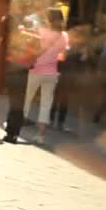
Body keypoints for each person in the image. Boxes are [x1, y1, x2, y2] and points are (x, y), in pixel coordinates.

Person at [23, 8, 69, 144]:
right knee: (46, 104)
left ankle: (17, 126)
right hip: (52, 73)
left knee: (27, 98)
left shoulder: (41, 31)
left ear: (48, 19)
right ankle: (41, 135)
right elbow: (63, 56)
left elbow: (31, 45)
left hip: (36, 70)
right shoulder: (64, 36)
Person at [0, 0, 35, 144]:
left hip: (6, 64)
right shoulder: (30, 23)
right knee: (17, 102)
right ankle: (12, 134)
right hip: (22, 66)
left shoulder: (7, 19)